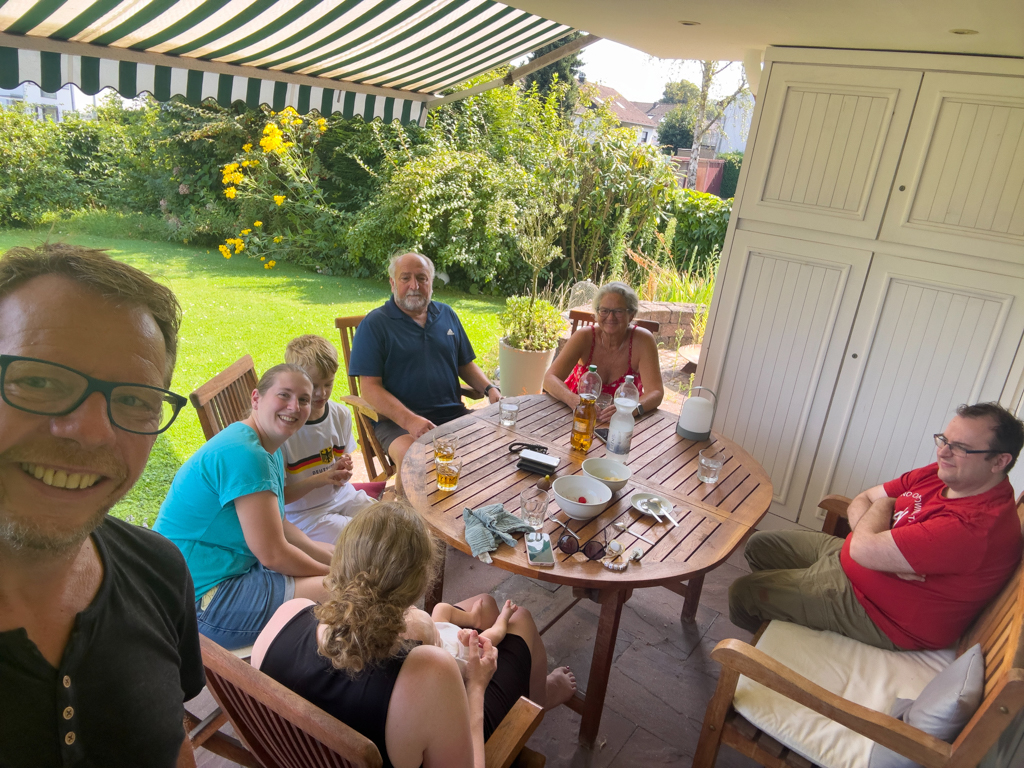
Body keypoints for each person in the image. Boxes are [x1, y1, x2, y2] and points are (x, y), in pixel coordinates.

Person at [0, 243, 204, 767]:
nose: (91, 432)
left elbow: (173, 742)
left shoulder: (159, 572)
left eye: (135, 399)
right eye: (40, 381)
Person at [251, 501, 576, 768]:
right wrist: (476, 687)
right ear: (419, 585)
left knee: (485, 605)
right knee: (520, 619)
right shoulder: (429, 672)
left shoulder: (283, 620)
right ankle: (539, 697)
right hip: (427, 720)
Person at [729, 403, 1024, 651]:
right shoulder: (943, 475)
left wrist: (879, 518)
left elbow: (865, 535)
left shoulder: (974, 528)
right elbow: (865, 499)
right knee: (760, 545)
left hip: (878, 613)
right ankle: (792, 608)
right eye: (943, 440)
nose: (943, 453)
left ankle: (780, 649)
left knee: (743, 593)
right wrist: (873, 536)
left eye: (959, 448)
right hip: (857, 564)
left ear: (999, 461)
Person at [154, 364, 333, 650]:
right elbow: (273, 554)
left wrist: (328, 557)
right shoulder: (247, 455)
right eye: (284, 395)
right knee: (344, 591)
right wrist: (330, 574)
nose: (294, 406)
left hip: (229, 573)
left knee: (338, 558)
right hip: (199, 602)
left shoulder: (266, 446)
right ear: (256, 399)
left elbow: (277, 524)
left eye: (303, 399)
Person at [348, 252, 500, 493]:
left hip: (451, 414)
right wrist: (410, 420)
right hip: (396, 423)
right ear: (392, 283)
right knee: (414, 460)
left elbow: (465, 364)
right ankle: (408, 525)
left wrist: (490, 389)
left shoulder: (447, 314)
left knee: (491, 444)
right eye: (405, 278)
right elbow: (369, 388)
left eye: (422, 278)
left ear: (431, 282)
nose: (414, 286)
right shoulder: (375, 324)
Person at [280, 335, 375, 544]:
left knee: (386, 521)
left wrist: (343, 468)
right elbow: (280, 497)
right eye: (314, 386)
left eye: (328, 384)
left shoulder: (340, 415)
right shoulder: (283, 431)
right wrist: (322, 478)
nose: (322, 393)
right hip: (306, 516)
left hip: (342, 496)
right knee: (365, 540)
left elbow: (338, 459)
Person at [544, 281, 664, 423]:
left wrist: (633, 408)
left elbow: (656, 392)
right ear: (597, 312)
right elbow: (549, 378)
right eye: (604, 311)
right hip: (575, 415)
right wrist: (573, 400)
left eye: (618, 311)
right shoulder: (584, 337)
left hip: (620, 421)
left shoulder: (643, 341)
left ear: (631, 315)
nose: (610, 317)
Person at [403, 598, 520, 671]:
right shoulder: (445, 662)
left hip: (443, 634)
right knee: (491, 635)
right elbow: (466, 669)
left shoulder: (421, 637)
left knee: (440, 608)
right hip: (460, 650)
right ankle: (503, 618)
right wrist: (466, 645)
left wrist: (430, 624)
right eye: (434, 629)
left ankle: (473, 618)